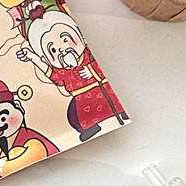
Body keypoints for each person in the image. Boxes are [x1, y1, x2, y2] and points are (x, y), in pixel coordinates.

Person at [17, 9, 128, 139]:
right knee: (73, 116)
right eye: (53, 50)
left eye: (65, 40)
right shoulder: (63, 71)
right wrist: (33, 57)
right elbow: (51, 74)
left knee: (118, 96)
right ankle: (90, 128)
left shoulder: (88, 54)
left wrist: (91, 70)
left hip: (103, 91)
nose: (62, 49)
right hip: (81, 101)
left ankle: (122, 111)